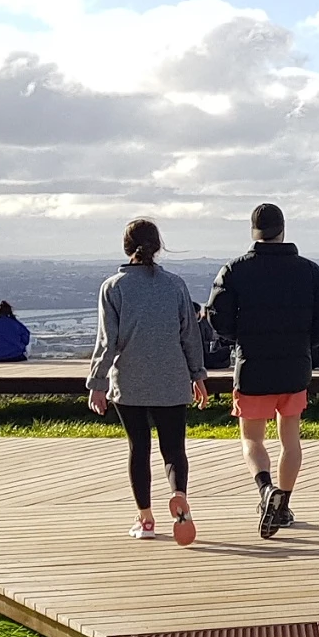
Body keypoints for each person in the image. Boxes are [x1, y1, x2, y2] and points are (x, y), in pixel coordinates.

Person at [207, 203, 319, 540]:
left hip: (252, 365)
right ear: (283, 230)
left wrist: (239, 340)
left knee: (252, 438)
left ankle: (266, 490)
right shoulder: (310, 271)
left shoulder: (234, 270)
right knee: (290, 439)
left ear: (253, 231)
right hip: (295, 367)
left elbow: (218, 318)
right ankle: (284, 504)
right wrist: (305, 345)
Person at [87, 219, 208, 546]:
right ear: (157, 246)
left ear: (127, 248)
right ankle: (179, 494)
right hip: (172, 377)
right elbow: (190, 335)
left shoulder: (113, 287)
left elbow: (106, 342)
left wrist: (97, 383)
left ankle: (146, 518)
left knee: (138, 449)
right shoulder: (175, 285)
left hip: (130, 380)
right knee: (174, 448)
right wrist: (198, 375)